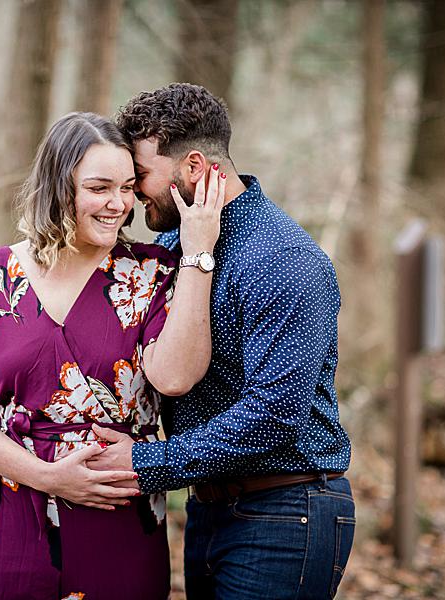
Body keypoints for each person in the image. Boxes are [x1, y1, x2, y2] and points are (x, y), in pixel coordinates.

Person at [0, 112, 225, 600]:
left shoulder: (155, 273)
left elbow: (179, 378)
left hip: (117, 518)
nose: (118, 204)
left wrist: (198, 252)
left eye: (128, 188)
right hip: (9, 513)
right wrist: (46, 476)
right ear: (58, 187)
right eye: (99, 188)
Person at [89, 83, 355, 599]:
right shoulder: (171, 243)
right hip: (206, 509)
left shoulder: (285, 259)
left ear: (192, 168)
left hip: (285, 512)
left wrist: (145, 464)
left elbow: (276, 413)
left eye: (140, 176)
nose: (132, 193)